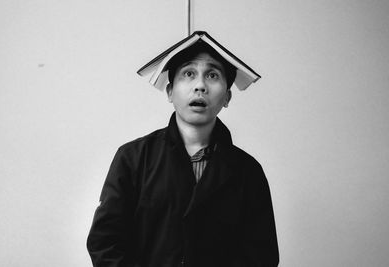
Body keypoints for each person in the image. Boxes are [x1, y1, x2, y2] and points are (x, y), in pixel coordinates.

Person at [87, 32, 279, 267]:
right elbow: (105, 243)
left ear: (227, 97)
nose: (200, 85)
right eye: (189, 74)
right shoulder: (133, 158)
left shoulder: (248, 171)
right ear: (170, 92)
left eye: (212, 75)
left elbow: (261, 255)